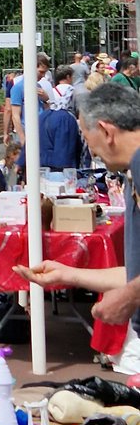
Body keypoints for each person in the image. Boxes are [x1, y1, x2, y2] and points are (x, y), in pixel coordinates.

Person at [14, 83, 140, 345]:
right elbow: (133, 274)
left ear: (106, 131)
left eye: (86, 136)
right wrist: (68, 274)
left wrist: (131, 295)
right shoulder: (131, 171)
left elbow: (133, 284)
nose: (91, 151)